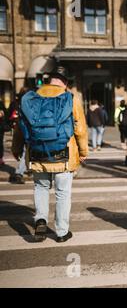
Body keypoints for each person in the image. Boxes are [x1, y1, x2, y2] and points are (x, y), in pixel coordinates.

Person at [12, 66, 88, 243]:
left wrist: (17, 148)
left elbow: (20, 127)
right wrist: (83, 151)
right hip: (63, 154)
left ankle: (41, 220)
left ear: (48, 79)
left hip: (38, 152)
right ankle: (62, 232)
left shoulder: (31, 97)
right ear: (65, 82)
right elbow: (80, 128)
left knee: (41, 187)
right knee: (62, 193)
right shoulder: (70, 97)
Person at [0, 98, 7, 165]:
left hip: (0, 127)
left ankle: (0, 158)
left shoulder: (1, 103)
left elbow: (4, 113)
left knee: (0, 143)